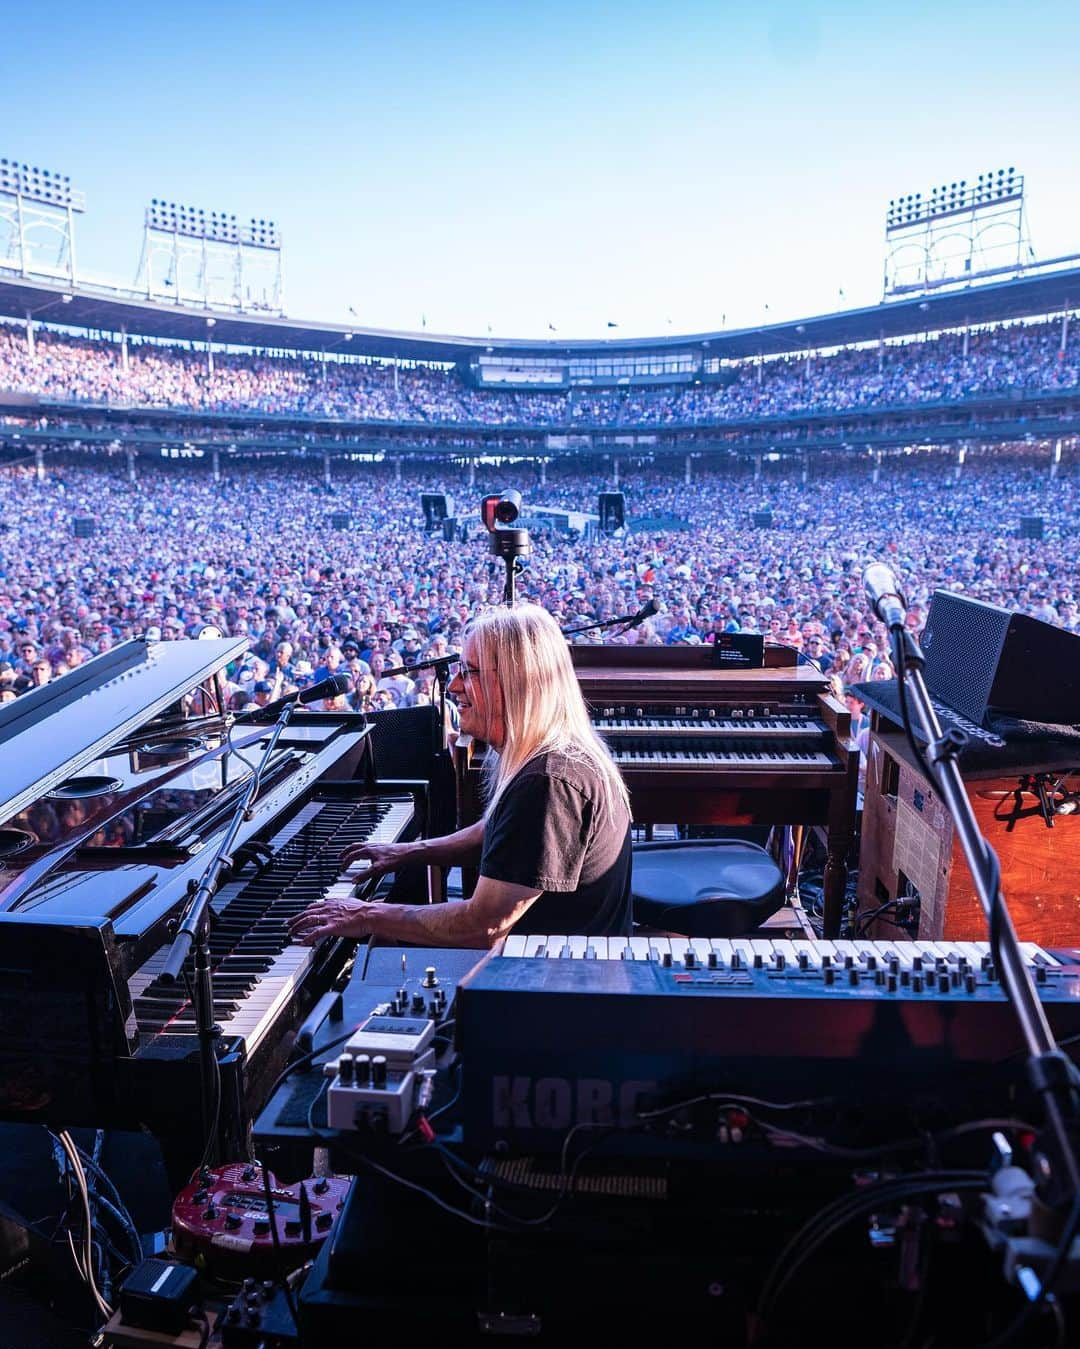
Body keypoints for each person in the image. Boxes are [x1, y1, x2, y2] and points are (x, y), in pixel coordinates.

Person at [288, 603, 632, 949]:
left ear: (517, 682)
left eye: (469, 672)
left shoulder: (547, 781)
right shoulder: (550, 753)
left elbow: (482, 926)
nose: (453, 686)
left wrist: (367, 916)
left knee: (375, 958)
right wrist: (409, 852)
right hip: (551, 969)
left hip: (555, 985)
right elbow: (500, 831)